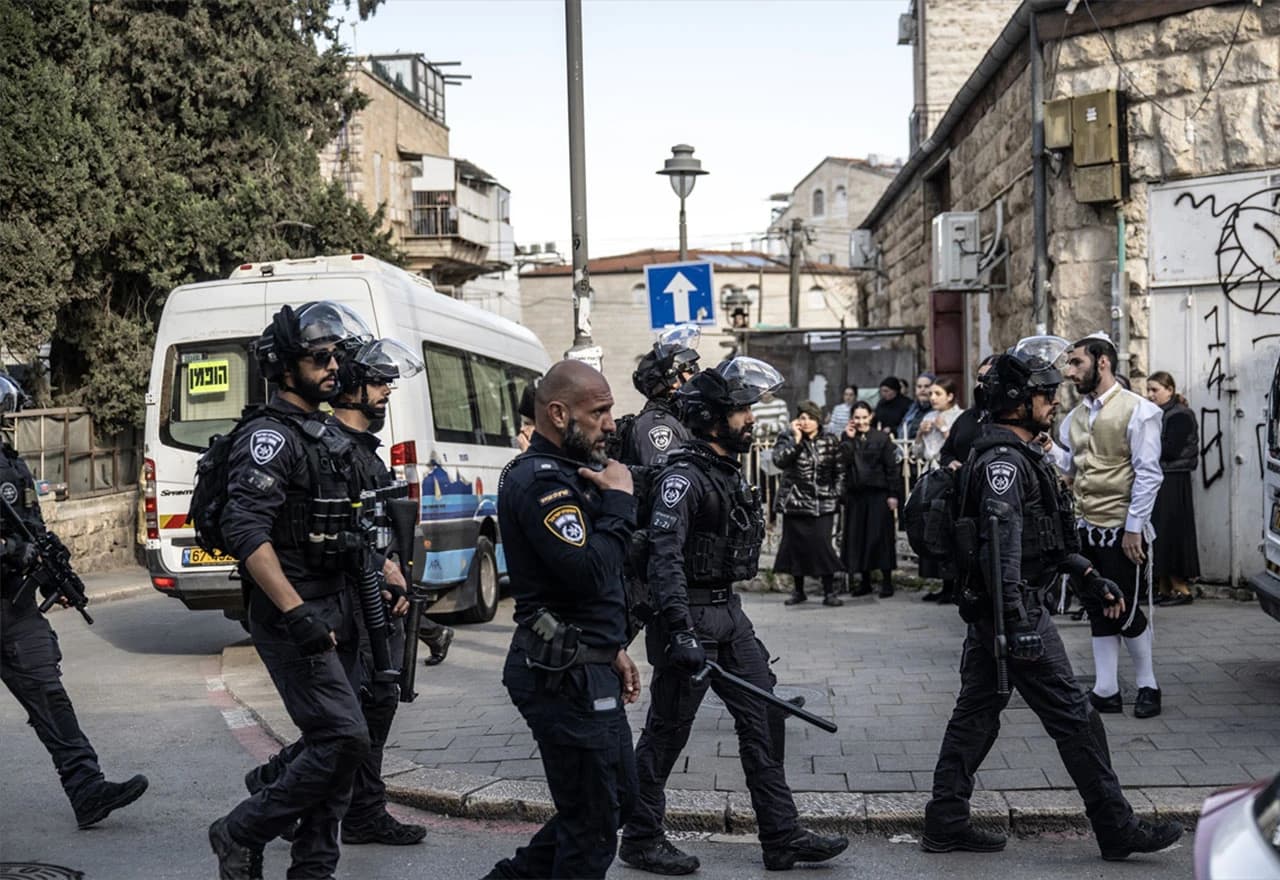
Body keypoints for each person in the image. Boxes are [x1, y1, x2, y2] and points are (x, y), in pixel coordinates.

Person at [922, 339, 1184, 862]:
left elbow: (1043, 535)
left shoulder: (1019, 455)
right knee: (1075, 717)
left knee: (975, 718)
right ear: (1018, 401)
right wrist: (1017, 623)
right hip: (1013, 613)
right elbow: (1002, 551)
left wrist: (1086, 574)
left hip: (1002, 611)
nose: (1052, 402)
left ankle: (945, 820)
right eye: (1044, 395)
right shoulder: (1003, 463)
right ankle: (1115, 826)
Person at [620, 358, 849, 875]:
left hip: (730, 614)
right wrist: (678, 631)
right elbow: (664, 556)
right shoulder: (682, 476)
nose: (750, 418)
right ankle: (639, 836)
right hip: (691, 617)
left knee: (765, 716)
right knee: (666, 733)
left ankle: (781, 835)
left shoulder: (721, 469)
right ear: (712, 418)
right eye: (741, 410)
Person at [242, 337, 430, 848]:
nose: (387, 389)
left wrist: (389, 568)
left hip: (360, 601)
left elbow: (366, 532)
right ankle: (276, 801)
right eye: (377, 380)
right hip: (331, 604)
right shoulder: (322, 445)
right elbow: (267, 532)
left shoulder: (353, 451)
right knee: (353, 721)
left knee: (364, 711)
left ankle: (342, 809)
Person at [209, 302, 374, 880]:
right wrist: (296, 610)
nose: (334, 367)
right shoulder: (269, 438)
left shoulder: (325, 432)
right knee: (342, 737)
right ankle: (242, 828)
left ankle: (313, 869)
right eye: (320, 358)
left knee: (339, 746)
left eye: (337, 356)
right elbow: (246, 531)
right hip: (295, 612)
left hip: (338, 601)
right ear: (285, 368)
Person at [482, 359, 642, 880]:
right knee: (592, 826)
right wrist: (619, 501)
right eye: (599, 412)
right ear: (557, 413)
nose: (611, 423)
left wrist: (610, 647)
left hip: (587, 662)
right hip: (561, 677)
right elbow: (589, 573)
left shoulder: (573, 473)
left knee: (613, 802)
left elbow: (580, 592)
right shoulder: (541, 483)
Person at [0, 374, 149, 830]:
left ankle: (86, 788)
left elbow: (32, 528)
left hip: (12, 607)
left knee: (50, 696)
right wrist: (9, 551)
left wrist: (51, 572)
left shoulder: (10, 462)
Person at [1058, 333, 1166, 719]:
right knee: (1097, 606)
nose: (1070, 372)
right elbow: (1071, 468)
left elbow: (1149, 473)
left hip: (1121, 528)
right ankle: (1105, 689)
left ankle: (1148, 685)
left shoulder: (1139, 410)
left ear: (1102, 361)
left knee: (1126, 607)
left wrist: (1134, 527)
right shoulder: (1075, 416)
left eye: (1076, 363)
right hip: (1086, 527)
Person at [772, 400, 846, 607]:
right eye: (802, 417)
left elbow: (839, 471)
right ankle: (798, 590)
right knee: (796, 547)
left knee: (822, 546)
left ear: (818, 420)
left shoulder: (830, 440)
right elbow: (780, 461)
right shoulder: (787, 438)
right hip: (795, 502)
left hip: (823, 502)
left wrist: (835, 493)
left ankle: (829, 591)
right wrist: (796, 441)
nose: (805, 422)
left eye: (810, 418)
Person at [1146, 371, 1200, 606]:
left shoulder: (1180, 415)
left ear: (1170, 390)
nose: (1150, 395)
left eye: (1155, 390)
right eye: (1148, 390)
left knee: (1172, 532)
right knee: (1162, 532)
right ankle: (1166, 587)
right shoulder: (1163, 413)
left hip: (1174, 479)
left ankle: (1181, 588)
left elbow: (1169, 450)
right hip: (1164, 477)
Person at [839, 400, 902, 598]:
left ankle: (886, 582)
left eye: (864, 417)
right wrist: (848, 440)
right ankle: (864, 581)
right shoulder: (848, 437)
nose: (860, 421)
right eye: (857, 418)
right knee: (859, 538)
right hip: (856, 494)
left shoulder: (882, 438)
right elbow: (843, 462)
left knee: (880, 538)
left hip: (878, 493)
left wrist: (893, 494)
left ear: (871, 416)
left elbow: (892, 468)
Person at [626, 324, 701, 467]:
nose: (696, 375)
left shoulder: (678, 418)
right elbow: (669, 478)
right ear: (673, 382)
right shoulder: (657, 424)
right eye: (691, 370)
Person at [938, 356, 1000, 471]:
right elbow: (946, 452)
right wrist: (950, 462)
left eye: (988, 377)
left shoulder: (1011, 417)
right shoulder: (965, 417)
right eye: (980, 378)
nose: (982, 384)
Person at [912, 377, 963, 471]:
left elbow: (960, 448)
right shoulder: (929, 416)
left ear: (950, 396)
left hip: (950, 470)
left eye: (938, 394)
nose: (932, 398)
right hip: (929, 471)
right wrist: (920, 433)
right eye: (930, 393)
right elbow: (917, 454)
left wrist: (944, 429)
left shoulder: (961, 416)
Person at [898, 372, 937, 445]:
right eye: (919, 386)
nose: (922, 390)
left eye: (927, 386)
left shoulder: (938, 410)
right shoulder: (912, 409)